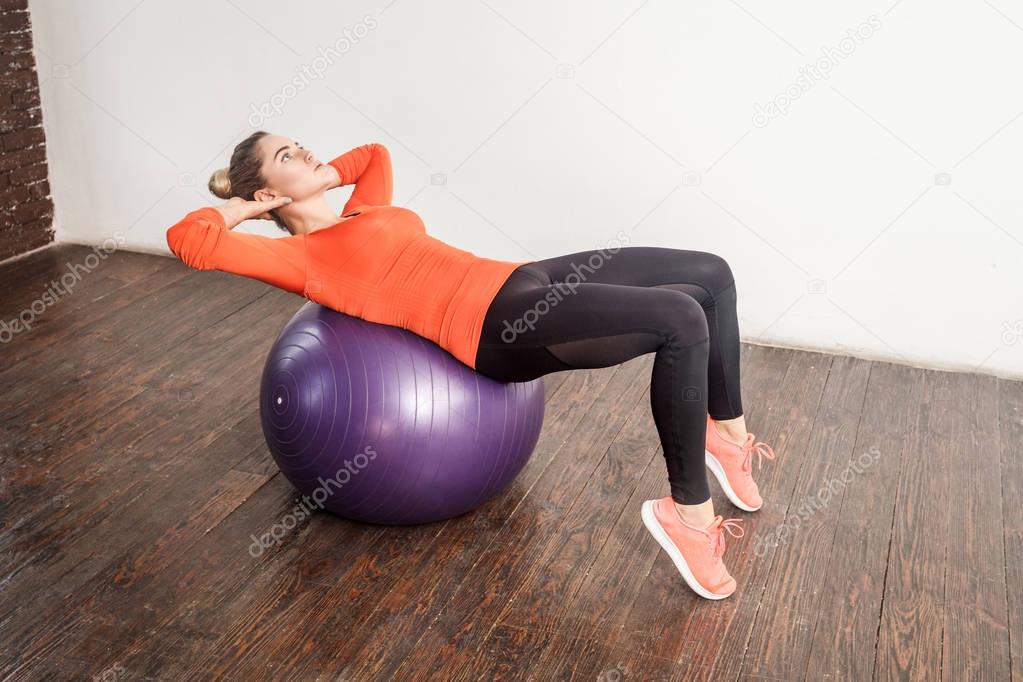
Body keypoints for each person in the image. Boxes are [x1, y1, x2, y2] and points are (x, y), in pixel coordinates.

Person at [165, 131, 778, 600]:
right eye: (289, 157)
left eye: (303, 145)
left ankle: (725, 437)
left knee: (711, 275)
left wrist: (315, 170)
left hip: (518, 279)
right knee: (681, 317)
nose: (307, 153)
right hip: (495, 330)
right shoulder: (301, 258)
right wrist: (245, 208)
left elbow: (373, 154)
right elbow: (191, 240)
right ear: (270, 193)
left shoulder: (364, 214)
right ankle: (688, 518)